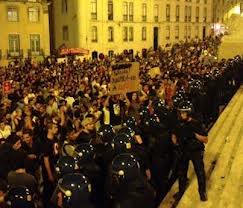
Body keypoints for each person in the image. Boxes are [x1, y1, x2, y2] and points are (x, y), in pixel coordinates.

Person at [172, 100, 208, 201]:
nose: (181, 114)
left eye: (183, 112)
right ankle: (181, 191)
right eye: (180, 112)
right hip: (183, 150)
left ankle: (202, 192)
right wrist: (176, 142)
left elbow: (205, 139)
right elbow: (174, 135)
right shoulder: (179, 123)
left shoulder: (196, 123)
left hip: (195, 151)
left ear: (189, 112)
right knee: (181, 173)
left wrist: (194, 135)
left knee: (200, 172)